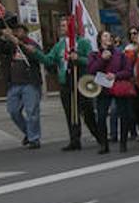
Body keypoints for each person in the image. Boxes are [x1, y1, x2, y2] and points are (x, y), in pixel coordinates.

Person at [39, 17, 103, 152]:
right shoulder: (59, 45)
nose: (62, 28)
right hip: (66, 82)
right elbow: (49, 60)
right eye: (61, 25)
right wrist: (34, 52)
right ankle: (74, 140)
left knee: (87, 111)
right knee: (70, 112)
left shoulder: (83, 42)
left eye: (64, 25)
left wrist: (78, 58)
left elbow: (90, 61)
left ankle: (99, 136)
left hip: (80, 81)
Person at [0, 15, 44, 148]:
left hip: (30, 83)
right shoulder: (11, 46)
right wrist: (3, 37)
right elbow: (0, 49)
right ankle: (29, 133)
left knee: (32, 112)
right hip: (14, 84)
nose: (16, 33)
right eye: (15, 31)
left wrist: (20, 44)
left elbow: (36, 55)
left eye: (19, 31)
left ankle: (34, 139)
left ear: (25, 33)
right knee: (13, 111)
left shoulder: (31, 44)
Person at [87, 29, 137, 152]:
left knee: (123, 115)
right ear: (100, 40)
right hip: (103, 89)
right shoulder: (94, 55)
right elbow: (91, 70)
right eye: (105, 36)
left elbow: (128, 71)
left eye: (109, 36)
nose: (108, 38)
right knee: (101, 117)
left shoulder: (120, 54)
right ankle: (104, 144)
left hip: (118, 88)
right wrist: (102, 59)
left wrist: (115, 75)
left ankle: (123, 143)